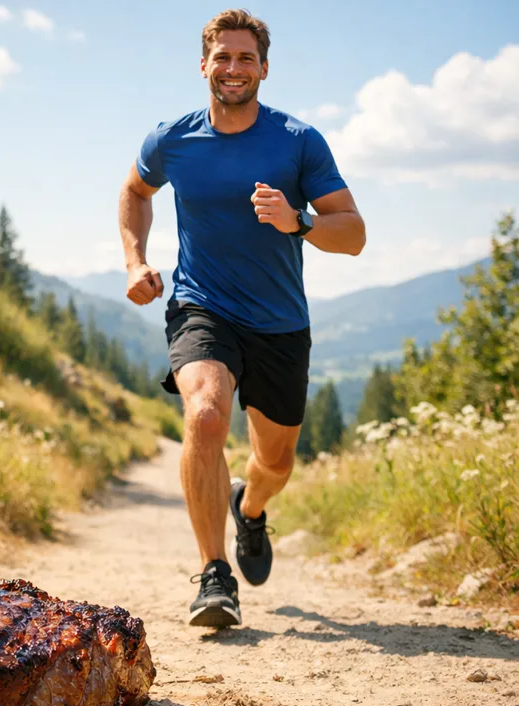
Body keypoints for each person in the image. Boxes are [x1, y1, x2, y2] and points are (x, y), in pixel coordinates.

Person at [118, 9, 365, 627]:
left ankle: (249, 511)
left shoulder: (297, 141)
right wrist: (134, 262)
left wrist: (299, 220)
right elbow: (134, 193)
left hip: (280, 322)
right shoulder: (171, 138)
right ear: (203, 65)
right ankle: (212, 575)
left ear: (264, 68)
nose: (233, 68)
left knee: (275, 462)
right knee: (204, 413)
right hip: (202, 304)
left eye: (245, 58)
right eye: (222, 57)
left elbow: (354, 233)